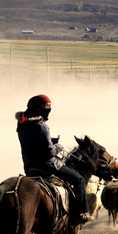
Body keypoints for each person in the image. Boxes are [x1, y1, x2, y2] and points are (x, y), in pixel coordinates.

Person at [16, 94, 93, 223]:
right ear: (38, 108)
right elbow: (49, 152)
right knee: (78, 180)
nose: (48, 111)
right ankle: (82, 212)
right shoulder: (41, 126)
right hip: (48, 165)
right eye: (46, 108)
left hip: (29, 166)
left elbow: (34, 143)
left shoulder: (22, 125)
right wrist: (58, 146)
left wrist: (49, 141)